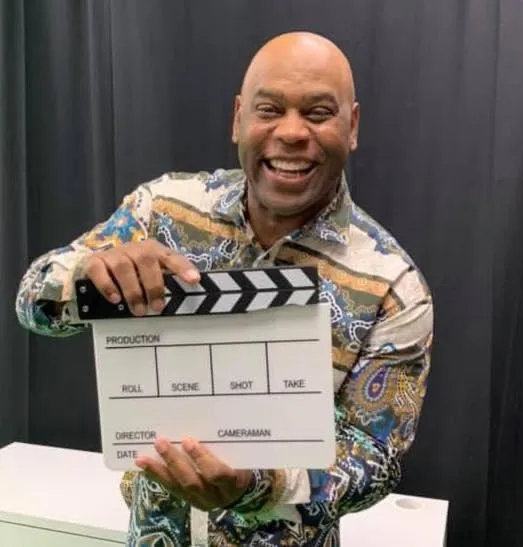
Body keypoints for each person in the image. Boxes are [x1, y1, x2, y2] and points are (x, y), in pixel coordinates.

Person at [15, 31, 433, 546]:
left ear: (353, 126)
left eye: (319, 113)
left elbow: (375, 456)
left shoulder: (393, 286)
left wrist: (259, 485)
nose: (292, 132)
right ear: (239, 118)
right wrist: (87, 277)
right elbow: (31, 300)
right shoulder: (162, 211)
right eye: (269, 109)